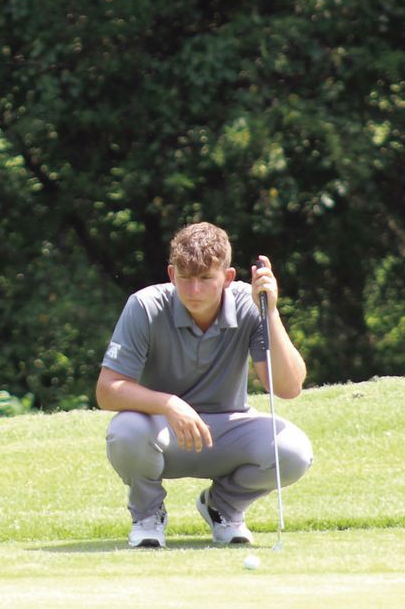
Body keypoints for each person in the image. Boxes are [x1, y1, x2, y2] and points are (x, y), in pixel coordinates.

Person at [96, 222, 313, 548]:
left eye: (206, 279)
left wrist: (269, 312)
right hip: (163, 430)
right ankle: (148, 516)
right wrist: (169, 404)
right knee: (125, 431)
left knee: (293, 451)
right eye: (185, 278)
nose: (194, 290)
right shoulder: (145, 305)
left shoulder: (248, 303)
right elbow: (107, 390)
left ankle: (222, 508)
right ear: (171, 275)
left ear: (227, 278)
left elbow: (287, 387)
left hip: (228, 429)